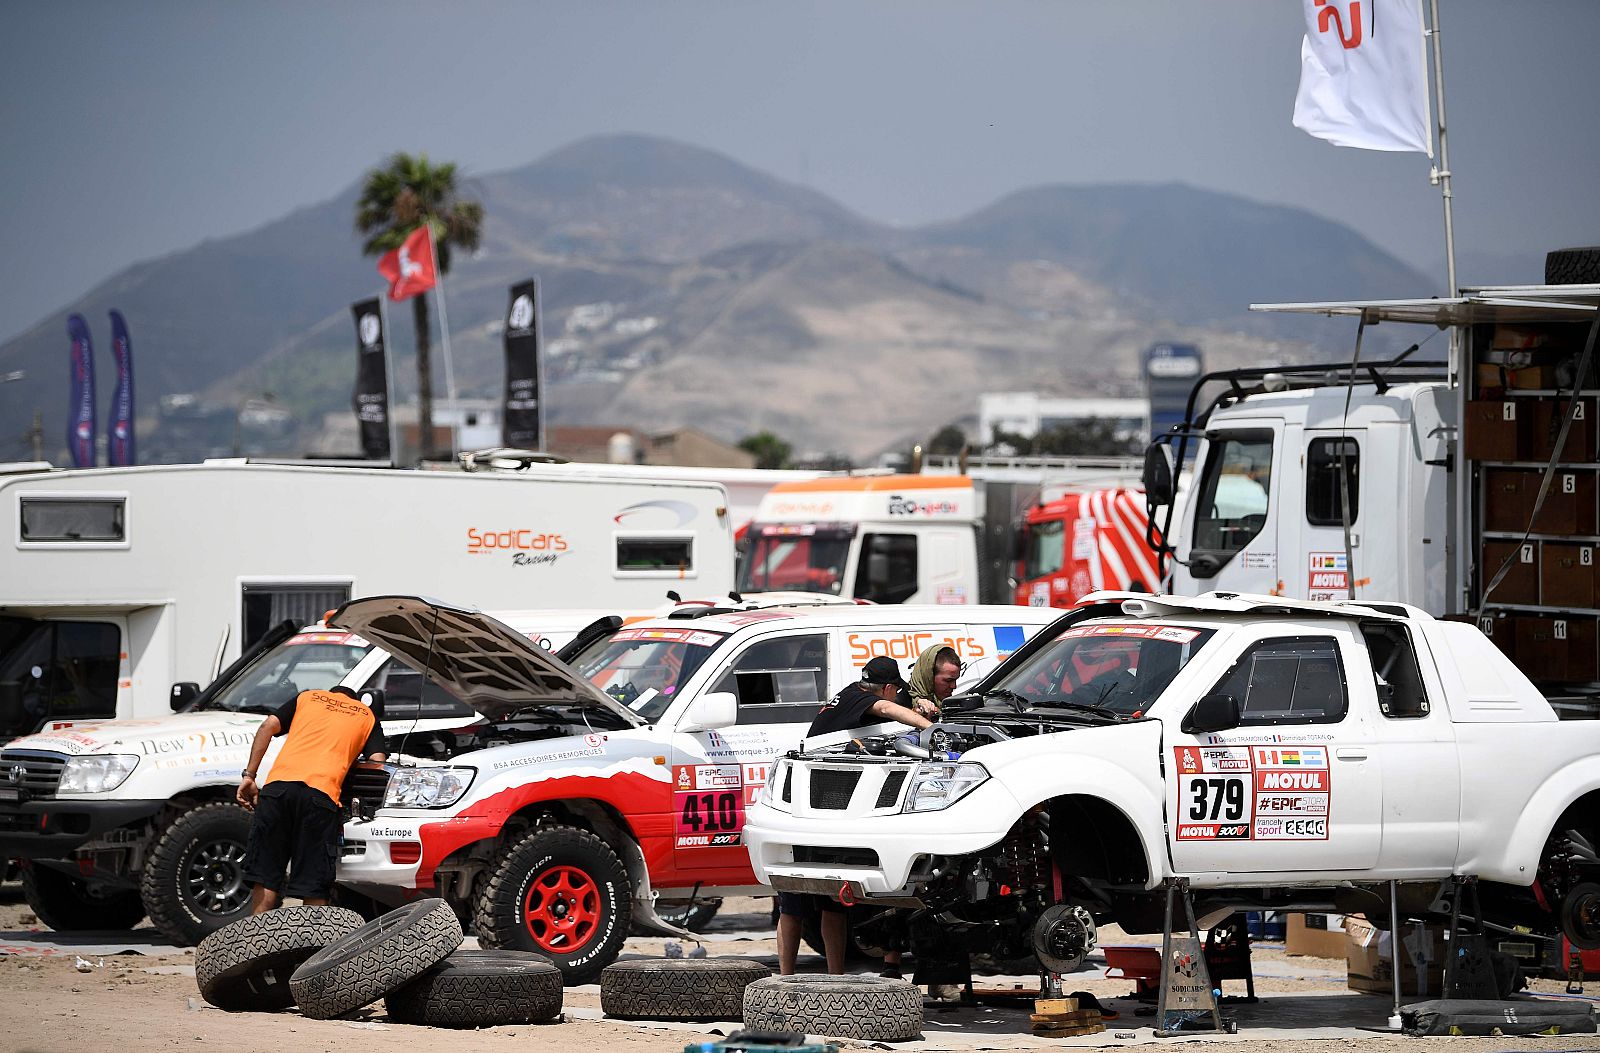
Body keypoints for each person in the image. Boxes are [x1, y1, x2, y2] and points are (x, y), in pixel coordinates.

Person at [777, 656, 932, 975]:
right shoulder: (861, 699)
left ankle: (805, 977)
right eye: (894, 691)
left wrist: (919, 703)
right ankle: (803, 977)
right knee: (808, 904)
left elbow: (897, 706)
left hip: (809, 809)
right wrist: (932, 727)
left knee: (813, 903)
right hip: (814, 813)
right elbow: (888, 710)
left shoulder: (849, 693)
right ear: (887, 689)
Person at [236, 685, 386, 914]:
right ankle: (312, 945)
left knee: (264, 877)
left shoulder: (308, 697)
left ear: (331, 693)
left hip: (277, 791)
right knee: (314, 884)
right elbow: (377, 763)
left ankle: (254, 945)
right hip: (320, 797)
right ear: (354, 700)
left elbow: (268, 726)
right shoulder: (366, 715)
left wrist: (250, 776)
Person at [907, 645, 961, 717]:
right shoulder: (901, 703)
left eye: (955, 680)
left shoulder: (948, 706)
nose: (954, 686)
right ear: (929, 676)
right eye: (948, 681)